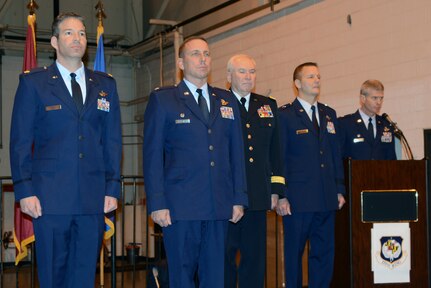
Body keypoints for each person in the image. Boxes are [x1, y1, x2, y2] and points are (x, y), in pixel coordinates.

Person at [9, 12, 122, 288]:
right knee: (53, 277)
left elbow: (112, 141)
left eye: (82, 33)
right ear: (55, 42)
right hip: (49, 200)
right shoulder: (33, 83)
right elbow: (20, 141)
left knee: (84, 277)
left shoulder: (105, 85)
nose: (78, 38)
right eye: (69, 33)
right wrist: (25, 190)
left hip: (92, 199)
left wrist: (112, 187)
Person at [143, 36, 247, 288]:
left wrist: (238, 198)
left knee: (215, 277)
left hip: (218, 204)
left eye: (207, 54)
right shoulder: (164, 100)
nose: (203, 59)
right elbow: (153, 155)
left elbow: (236, 152)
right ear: (180, 62)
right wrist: (157, 202)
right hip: (180, 207)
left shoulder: (226, 100)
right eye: (195, 54)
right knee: (182, 276)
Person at [224, 54, 290, 288]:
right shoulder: (220, 103)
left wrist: (277, 190)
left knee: (254, 259)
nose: (248, 76)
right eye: (242, 71)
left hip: (258, 194)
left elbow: (275, 152)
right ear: (229, 75)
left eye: (252, 71)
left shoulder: (267, 105)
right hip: (228, 194)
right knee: (226, 258)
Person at [278, 62, 345, 287]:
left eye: (318, 76)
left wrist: (339, 189)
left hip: (326, 198)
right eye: (310, 77)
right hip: (298, 199)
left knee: (324, 254)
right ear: (297, 84)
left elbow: (335, 155)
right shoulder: (285, 116)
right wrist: (282, 195)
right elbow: (279, 158)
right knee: (294, 254)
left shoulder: (329, 114)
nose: (316, 80)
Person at [338, 79, 397, 160]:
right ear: (363, 98)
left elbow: (391, 159)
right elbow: (339, 157)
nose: (379, 102)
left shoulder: (386, 125)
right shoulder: (345, 124)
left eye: (381, 98)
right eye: (374, 98)